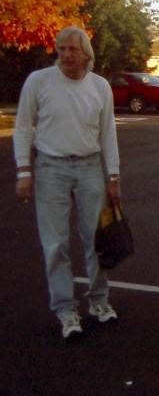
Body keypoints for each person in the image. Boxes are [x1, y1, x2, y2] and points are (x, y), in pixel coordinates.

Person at [13, 26, 121, 340]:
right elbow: (22, 128)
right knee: (55, 243)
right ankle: (65, 309)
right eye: (61, 49)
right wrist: (24, 171)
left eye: (72, 49)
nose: (66, 55)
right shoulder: (39, 81)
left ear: (87, 52)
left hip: (89, 166)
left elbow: (108, 134)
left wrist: (113, 176)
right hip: (50, 167)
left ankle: (99, 301)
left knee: (95, 240)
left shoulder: (100, 86)